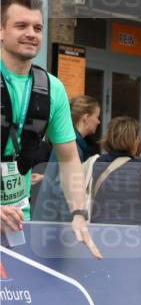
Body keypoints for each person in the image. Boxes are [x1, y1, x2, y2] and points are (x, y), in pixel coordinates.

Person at [0, 0, 99, 256]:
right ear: (1, 30)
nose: (31, 33)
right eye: (21, 26)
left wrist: (78, 212)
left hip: (17, 226)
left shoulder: (52, 88)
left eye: (37, 28)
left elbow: (68, 159)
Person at [31, 94, 101, 222]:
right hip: (54, 222)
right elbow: (62, 189)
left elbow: (58, 178)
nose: (98, 121)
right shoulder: (72, 147)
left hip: (47, 219)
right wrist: (75, 220)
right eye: (97, 116)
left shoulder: (69, 142)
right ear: (86, 117)